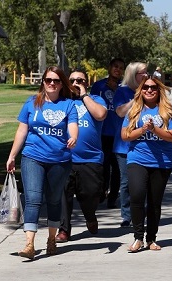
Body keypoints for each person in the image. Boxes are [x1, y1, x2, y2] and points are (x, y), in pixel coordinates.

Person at [6, 66, 78, 260]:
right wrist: (12, 155)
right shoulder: (32, 103)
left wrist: (73, 137)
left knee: (54, 200)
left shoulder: (68, 105)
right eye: (48, 80)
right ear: (43, 82)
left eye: (56, 80)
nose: (52, 83)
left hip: (60, 160)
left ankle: (51, 240)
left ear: (62, 83)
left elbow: (73, 125)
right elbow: (22, 130)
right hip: (33, 156)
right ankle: (29, 244)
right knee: (33, 199)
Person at [121, 77, 172, 253]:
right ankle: (138, 237)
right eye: (145, 87)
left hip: (162, 162)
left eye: (153, 87)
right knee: (137, 195)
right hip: (137, 159)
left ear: (159, 90)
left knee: (154, 202)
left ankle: (151, 238)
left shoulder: (168, 110)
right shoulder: (134, 110)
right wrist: (143, 130)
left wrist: (155, 129)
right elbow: (125, 135)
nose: (149, 90)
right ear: (140, 90)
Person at [56, 70, 107, 242]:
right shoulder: (62, 102)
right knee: (63, 194)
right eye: (72, 80)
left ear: (87, 83)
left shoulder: (96, 100)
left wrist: (84, 95)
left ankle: (90, 216)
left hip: (90, 159)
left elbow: (101, 114)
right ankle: (64, 229)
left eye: (80, 80)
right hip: (65, 157)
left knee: (90, 194)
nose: (76, 83)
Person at [114, 62, 148, 228]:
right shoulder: (122, 91)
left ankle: (143, 213)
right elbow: (120, 112)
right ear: (133, 75)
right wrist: (135, 99)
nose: (146, 76)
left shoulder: (150, 89)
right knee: (126, 182)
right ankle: (127, 215)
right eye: (142, 73)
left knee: (144, 182)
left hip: (145, 145)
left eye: (146, 73)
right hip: (124, 146)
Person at [90, 58, 125, 208]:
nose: (117, 70)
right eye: (115, 67)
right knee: (102, 164)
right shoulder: (98, 86)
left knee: (117, 168)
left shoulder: (124, 88)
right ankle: (101, 191)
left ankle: (113, 197)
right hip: (102, 132)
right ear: (109, 68)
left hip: (118, 133)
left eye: (121, 68)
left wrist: (116, 90)